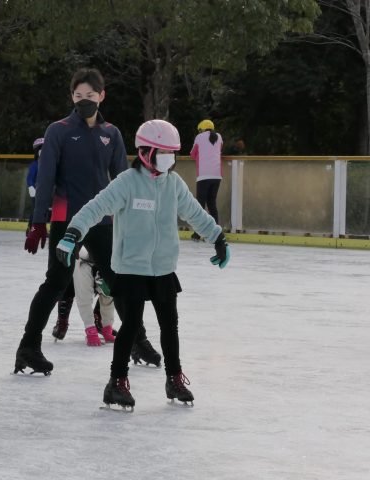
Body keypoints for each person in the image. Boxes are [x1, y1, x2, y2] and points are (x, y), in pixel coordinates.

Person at [56, 119, 231, 410]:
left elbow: (194, 213)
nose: (169, 159)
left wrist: (217, 237)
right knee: (132, 325)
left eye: (172, 153)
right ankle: (117, 382)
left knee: (169, 326)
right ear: (145, 152)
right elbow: (95, 208)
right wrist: (72, 234)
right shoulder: (126, 182)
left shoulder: (173, 183)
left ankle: (174, 379)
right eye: (163, 152)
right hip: (131, 268)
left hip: (163, 267)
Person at [15, 67, 158, 375]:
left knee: (119, 282)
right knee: (56, 282)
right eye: (78, 96)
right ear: (72, 97)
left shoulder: (112, 134)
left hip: (104, 220)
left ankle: (138, 341)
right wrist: (38, 221)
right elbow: (46, 180)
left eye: (90, 96)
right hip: (68, 220)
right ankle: (28, 347)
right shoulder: (59, 130)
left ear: (101, 96)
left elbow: (124, 181)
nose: (84, 101)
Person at [26, 136, 75, 342]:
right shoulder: (41, 167)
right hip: (61, 220)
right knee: (60, 278)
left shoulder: (69, 166)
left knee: (105, 277)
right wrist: (36, 224)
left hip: (88, 221)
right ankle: (59, 321)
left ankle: (128, 332)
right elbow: (40, 193)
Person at [73, 248, 117, 347]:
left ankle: (106, 328)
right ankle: (91, 329)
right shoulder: (83, 266)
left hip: (109, 263)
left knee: (109, 296)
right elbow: (83, 300)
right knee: (83, 295)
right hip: (84, 262)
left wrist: (107, 328)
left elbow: (109, 297)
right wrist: (90, 329)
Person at [189, 119, 223, 241]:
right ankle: (217, 233)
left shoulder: (199, 137)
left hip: (203, 175)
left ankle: (197, 234)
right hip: (217, 175)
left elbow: (192, 154)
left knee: (200, 205)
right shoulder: (219, 137)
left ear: (201, 129)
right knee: (212, 204)